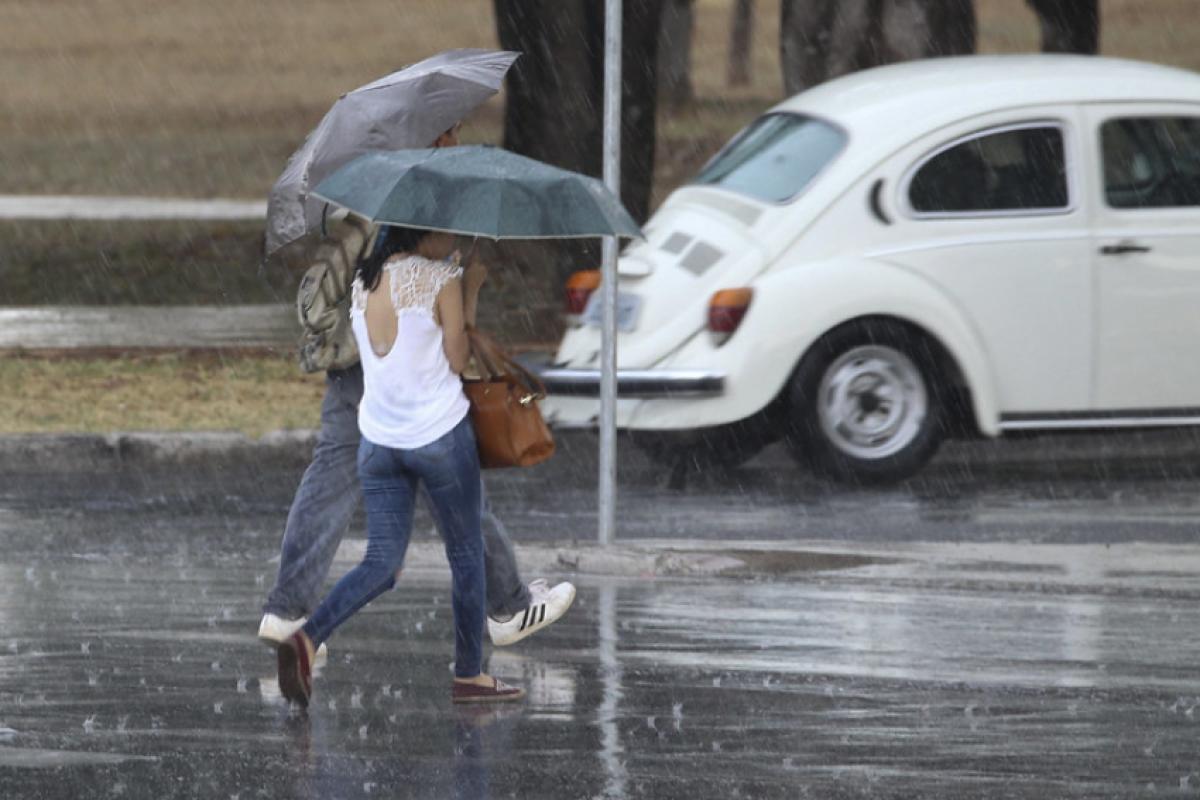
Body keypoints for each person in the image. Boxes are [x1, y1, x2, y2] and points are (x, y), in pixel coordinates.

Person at [259, 125, 574, 657]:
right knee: (452, 475)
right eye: (448, 131)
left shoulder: (373, 190)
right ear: (431, 134)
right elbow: (440, 322)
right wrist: (462, 284)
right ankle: (507, 607)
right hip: (397, 367)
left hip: (353, 358)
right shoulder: (415, 198)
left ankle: (289, 611)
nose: (456, 138)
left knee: (333, 476)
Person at [277, 224, 523, 705]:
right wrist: (468, 289)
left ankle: (307, 637)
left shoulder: (363, 282)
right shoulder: (438, 279)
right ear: (422, 234)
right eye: (445, 233)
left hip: (379, 443)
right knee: (467, 554)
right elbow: (457, 359)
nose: (452, 241)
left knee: (383, 563)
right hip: (438, 439)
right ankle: (470, 675)